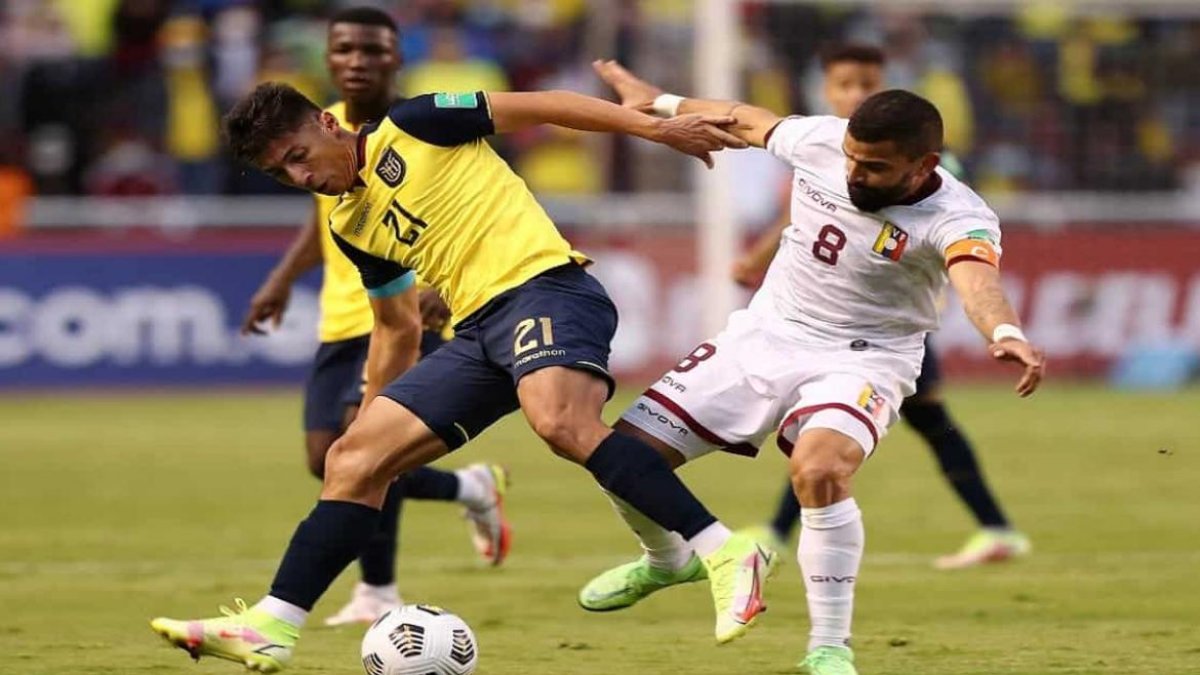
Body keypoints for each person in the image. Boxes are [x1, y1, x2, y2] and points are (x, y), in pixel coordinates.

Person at [151, 77, 774, 672]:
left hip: (547, 290)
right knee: (352, 460)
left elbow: (550, 104)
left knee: (560, 421)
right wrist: (375, 409)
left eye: (298, 156)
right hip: (476, 334)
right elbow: (396, 328)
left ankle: (724, 548)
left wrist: (654, 130)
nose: (302, 176)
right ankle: (273, 624)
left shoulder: (415, 123)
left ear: (326, 123)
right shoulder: (349, 224)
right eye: (281, 173)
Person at [582, 60, 1045, 675]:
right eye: (853, 157)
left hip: (865, 357)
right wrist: (661, 100)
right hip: (764, 334)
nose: (854, 171)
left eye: (875, 167)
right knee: (624, 455)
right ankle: (668, 558)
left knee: (820, 470)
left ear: (923, 167)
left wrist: (1005, 332)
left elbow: (977, 282)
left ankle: (829, 648)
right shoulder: (824, 141)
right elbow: (743, 118)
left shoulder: (960, 216)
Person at [239, 8, 511, 627]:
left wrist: (444, 282)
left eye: (371, 50)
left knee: (364, 443)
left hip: (407, 311)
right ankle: (469, 489)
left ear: (395, 57)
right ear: (329, 60)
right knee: (324, 457)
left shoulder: (423, 121)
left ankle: (378, 591)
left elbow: (481, 197)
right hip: (343, 313)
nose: (356, 61)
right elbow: (323, 225)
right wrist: (282, 280)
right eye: (344, 50)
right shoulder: (308, 131)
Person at [733, 44, 1031, 570]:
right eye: (843, 85)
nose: (854, 94)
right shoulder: (824, 145)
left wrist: (1003, 328)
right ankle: (995, 527)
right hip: (848, 321)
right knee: (889, 424)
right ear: (826, 90)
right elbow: (798, 217)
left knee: (838, 423)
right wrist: (758, 255)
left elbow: (948, 235)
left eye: (865, 84)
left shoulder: (925, 167)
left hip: (888, 326)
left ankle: (779, 533)